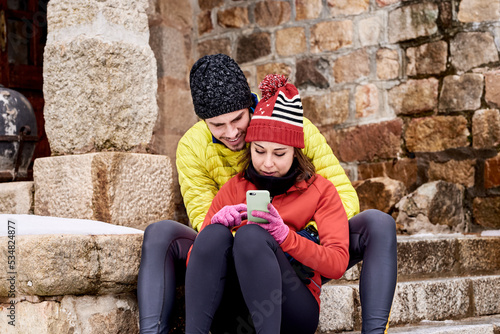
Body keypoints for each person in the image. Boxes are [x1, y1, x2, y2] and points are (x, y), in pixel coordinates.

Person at [137, 54, 397, 334]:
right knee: (164, 233)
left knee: (378, 223)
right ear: (203, 121)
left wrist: (293, 237)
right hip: (236, 252)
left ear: (249, 106)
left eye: (237, 119)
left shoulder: (293, 125)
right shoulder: (195, 150)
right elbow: (203, 221)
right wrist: (235, 227)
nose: (232, 132)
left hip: (299, 254)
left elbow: (342, 195)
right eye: (217, 125)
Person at [185, 74, 349, 333]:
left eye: (279, 153)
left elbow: (338, 264)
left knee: (252, 234)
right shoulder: (234, 188)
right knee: (215, 233)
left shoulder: (321, 190)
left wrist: (286, 237)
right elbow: (195, 261)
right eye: (259, 151)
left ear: (295, 151)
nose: (268, 163)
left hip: (292, 308)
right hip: (236, 312)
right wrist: (214, 226)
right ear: (249, 147)